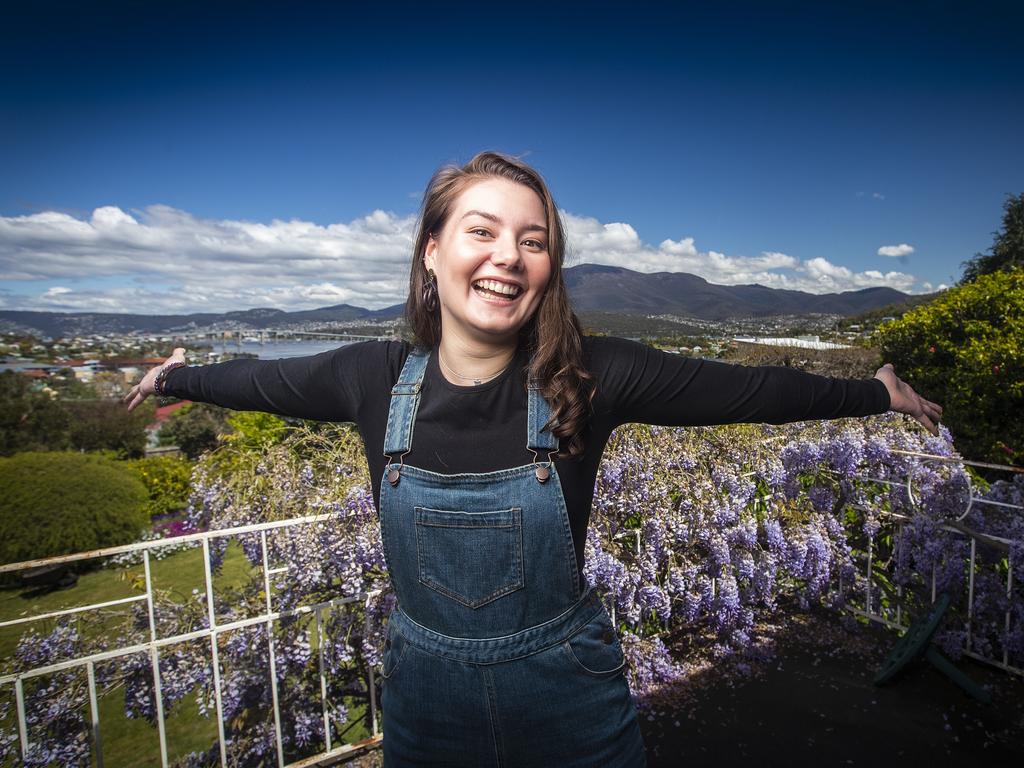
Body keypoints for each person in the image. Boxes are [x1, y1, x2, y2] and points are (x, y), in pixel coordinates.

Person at [124, 151, 941, 767]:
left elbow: (750, 392)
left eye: (534, 241)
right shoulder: (371, 377)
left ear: (547, 269)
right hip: (425, 702)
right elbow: (261, 379)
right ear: (432, 253)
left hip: (568, 694)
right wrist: (179, 374)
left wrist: (876, 392)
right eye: (481, 231)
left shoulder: (591, 373)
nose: (508, 255)